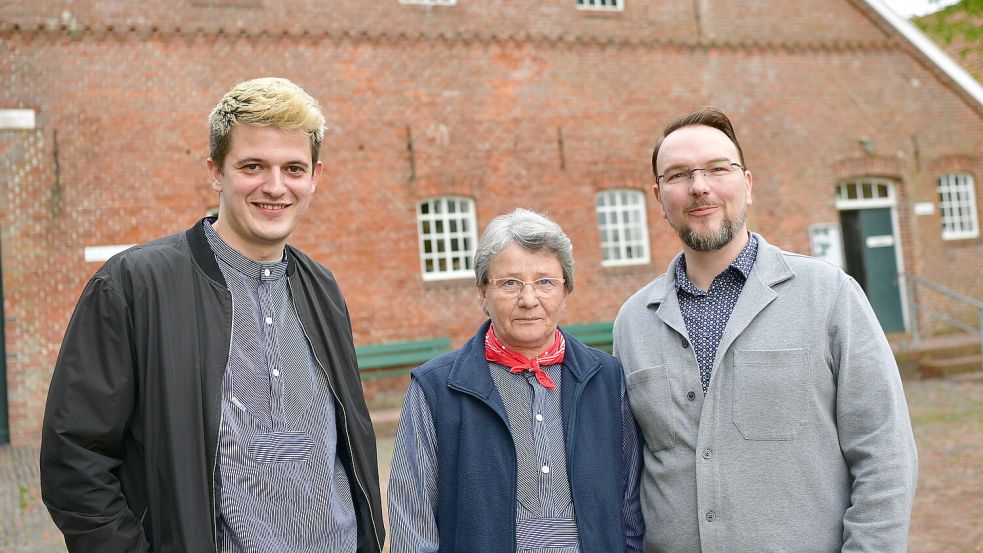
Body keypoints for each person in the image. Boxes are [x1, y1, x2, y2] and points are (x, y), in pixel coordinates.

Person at [40, 77, 384, 552]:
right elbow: (75, 460)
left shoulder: (322, 288)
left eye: (293, 168)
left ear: (315, 178)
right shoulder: (133, 286)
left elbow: (344, 444)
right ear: (216, 172)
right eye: (252, 166)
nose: (275, 186)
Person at [613, 107, 918, 552]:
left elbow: (885, 453)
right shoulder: (633, 321)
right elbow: (628, 474)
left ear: (747, 184)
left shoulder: (828, 295)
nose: (700, 187)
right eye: (679, 175)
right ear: (659, 197)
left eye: (718, 169)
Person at [388, 208, 643, 553]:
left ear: (565, 291)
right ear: (482, 293)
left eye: (545, 282)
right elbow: (411, 519)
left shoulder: (606, 379)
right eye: (509, 283)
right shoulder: (435, 389)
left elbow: (630, 504)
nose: (528, 299)